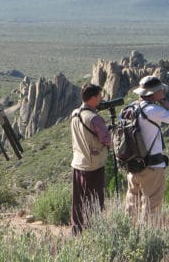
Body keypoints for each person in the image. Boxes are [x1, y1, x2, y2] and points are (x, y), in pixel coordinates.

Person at [126, 75, 169, 223]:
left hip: (132, 165)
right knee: (151, 206)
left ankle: (129, 234)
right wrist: (163, 101)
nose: (163, 92)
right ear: (155, 92)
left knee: (132, 204)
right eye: (161, 90)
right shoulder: (153, 110)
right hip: (152, 166)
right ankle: (147, 240)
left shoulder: (130, 108)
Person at [69, 83, 111, 234]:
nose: (101, 99)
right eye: (100, 96)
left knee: (78, 200)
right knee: (94, 200)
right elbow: (107, 140)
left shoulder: (74, 114)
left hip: (78, 163)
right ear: (93, 98)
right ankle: (94, 229)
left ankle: (76, 228)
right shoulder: (94, 119)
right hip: (93, 165)